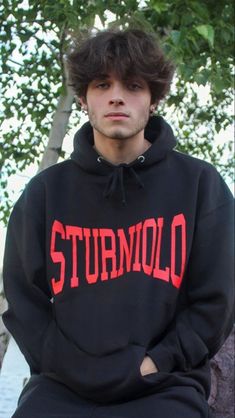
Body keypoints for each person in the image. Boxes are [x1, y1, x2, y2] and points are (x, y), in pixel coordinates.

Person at [2, 29, 234, 418]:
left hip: (163, 385)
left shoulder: (199, 185)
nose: (116, 96)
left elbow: (217, 300)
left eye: (133, 85)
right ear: (82, 97)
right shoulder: (46, 192)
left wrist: (158, 362)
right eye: (102, 84)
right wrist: (61, 363)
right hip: (63, 388)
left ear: (154, 99)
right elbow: (24, 297)